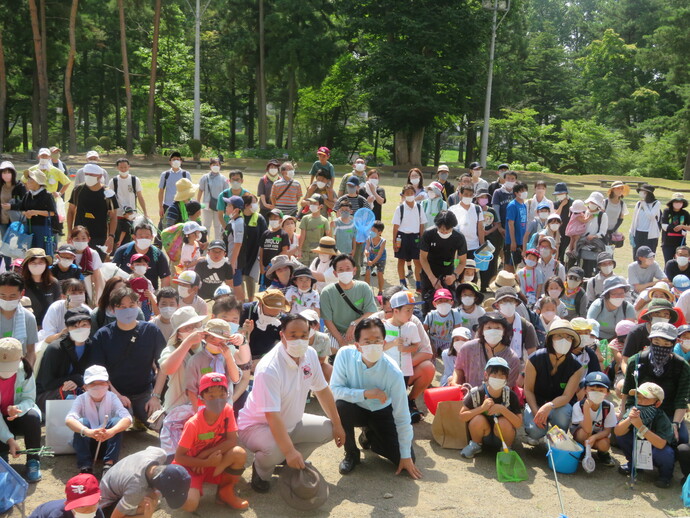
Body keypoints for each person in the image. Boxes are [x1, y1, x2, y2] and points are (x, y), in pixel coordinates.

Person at [237, 314, 346, 493]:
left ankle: (288, 461)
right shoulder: (269, 368)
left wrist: (338, 423)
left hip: (291, 421)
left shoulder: (310, 354)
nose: (299, 340)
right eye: (293, 335)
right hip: (257, 426)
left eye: (304, 335)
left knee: (329, 429)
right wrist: (289, 451)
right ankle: (261, 470)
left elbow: (322, 390)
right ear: (282, 335)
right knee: (275, 450)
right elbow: (272, 416)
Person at [330, 317, 421, 478]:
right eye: (367, 342)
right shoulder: (344, 355)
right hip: (356, 407)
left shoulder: (394, 372)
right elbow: (335, 391)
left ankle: (369, 436)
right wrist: (366, 393)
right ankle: (351, 453)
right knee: (341, 406)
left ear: (384, 343)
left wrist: (406, 455)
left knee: (406, 458)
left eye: (377, 341)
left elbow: (402, 415)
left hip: (383, 411)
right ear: (357, 345)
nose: (373, 345)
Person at [90, 286, 166, 428]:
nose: (127, 310)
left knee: (164, 425)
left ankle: (140, 416)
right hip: (114, 395)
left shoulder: (151, 330)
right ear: (113, 310)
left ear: (138, 305)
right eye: (122, 307)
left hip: (145, 393)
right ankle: (131, 417)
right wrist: (116, 395)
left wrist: (155, 397)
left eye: (131, 305)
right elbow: (98, 373)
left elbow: (164, 366)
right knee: (116, 426)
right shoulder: (103, 335)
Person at [174, 372, 249, 511]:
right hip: (191, 467)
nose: (218, 400)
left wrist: (205, 455)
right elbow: (179, 457)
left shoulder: (227, 410)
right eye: (211, 396)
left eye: (222, 395)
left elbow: (232, 440)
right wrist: (204, 462)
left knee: (239, 453)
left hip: (212, 462)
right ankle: (180, 486)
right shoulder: (193, 424)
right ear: (201, 397)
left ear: (228, 394)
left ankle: (225, 492)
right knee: (189, 505)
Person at [523, 318, 585, 444]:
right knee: (535, 431)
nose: (564, 340)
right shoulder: (535, 359)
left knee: (563, 414)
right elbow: (528, 390)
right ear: (550, 339)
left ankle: (557, 437)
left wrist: (549, 406)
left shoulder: (576, 366)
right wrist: (537, 412)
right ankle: (539, 433)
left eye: (569, 337)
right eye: (559, 336)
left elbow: (567, 396)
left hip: (559, 405)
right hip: (536, 402)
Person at [64, 365, 132, 474]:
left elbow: (127, 418)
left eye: (101, 383)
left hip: (107, 442)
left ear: (108, 384)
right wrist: (87, 431)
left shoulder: (112, 397)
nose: (98, 386)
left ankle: (109, 464)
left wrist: (111, 431)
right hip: (88, 443)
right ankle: (85, 466)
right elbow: (69, 419)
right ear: (85, 387)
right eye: (93, 384)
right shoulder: (81, 399)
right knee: (82, 422)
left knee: (116, 421)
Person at [99, 446, 191, 517]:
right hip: (104, 505)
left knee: (151, 499)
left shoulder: (159, 454)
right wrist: (145, 516)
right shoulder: (136, 490)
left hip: (115, 480)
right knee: (147, 504)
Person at [459, 357, 523, 459]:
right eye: (494, 374)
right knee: (477, 420)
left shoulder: (511, 395)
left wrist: (502, 409)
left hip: (502, 437)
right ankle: (475, 444)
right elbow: (462, 416)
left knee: (504, 422)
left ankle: (506, 449)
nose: (498, 378)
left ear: (507, 378)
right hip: (483, 436)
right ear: (486, 375)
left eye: (502, 375)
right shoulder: (477, 393)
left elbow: (518, 423)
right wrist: (481, 408)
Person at [615, 381, 676, 488]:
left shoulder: (661, 417)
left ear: (657, 403)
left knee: (665, 453)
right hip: (639, 444)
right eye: (638, 397)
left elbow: (661, 444)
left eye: (646, 398)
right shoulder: (633, 410)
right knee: (623, 436)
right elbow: (618, 432)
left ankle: (665, 476)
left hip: (656, 448)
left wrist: (641, 427)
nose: (641, 401)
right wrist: (629, 419)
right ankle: (634, 464)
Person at [0, 336, 42, 482]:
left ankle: (33, 460)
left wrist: (18, 408)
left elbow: (29, 399)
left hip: (17, 416)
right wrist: (10, 440)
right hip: (0, 420)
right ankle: (3, 457)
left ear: (20, 359)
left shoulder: (24, 371)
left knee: (32, 417)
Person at [35, 307, 92, 411]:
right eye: (74, 326)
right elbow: (47, 383)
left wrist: (79, 382)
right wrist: (75, 380)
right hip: (48, 394)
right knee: (69, 392)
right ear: (67, 328)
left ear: (90, 325)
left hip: (78, 387)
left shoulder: (91, 346)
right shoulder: (56, 348)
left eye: (84, 325)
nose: (79, 329)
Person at [450, 311, 520, 389]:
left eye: (497, 328)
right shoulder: (468, 348)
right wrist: (454, 382)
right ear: (482, 330)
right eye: (489, 327)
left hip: (497, 399)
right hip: (469, 395)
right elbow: (459, 368)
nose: (493, 331)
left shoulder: (512, 358)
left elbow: (509, 386)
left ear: (504, 331)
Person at [321, 254, 378, 350]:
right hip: (335, 332)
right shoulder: (327, 292)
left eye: (348, 269)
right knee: (333, 349)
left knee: (364, 349)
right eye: (341, 270)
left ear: (354, 270)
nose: (345, 272)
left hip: (359, 330)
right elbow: (327, 321)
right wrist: (341, 340)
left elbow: (371, 311)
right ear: (335, 273)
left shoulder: (363, 287)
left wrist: (354, 324)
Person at [419, 211, 467, 312]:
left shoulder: (459, 237)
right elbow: (423, 258)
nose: (444, 232)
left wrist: (454, 276)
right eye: (441, 229)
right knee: (428, 305)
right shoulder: (428, 234)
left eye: (448, 229)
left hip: (448, 272)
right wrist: (432, 279)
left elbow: (462, 261)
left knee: (448, 304)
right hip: (429, 270)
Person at [67, 163, 118, 257]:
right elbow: (70, 211)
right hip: (79, 236)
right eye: (86, 174)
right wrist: (70, 232)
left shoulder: (108, 193)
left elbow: (113, 216)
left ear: (100, 176)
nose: (88, 177)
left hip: (100, 235)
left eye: (92, 175)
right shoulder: (78, 190)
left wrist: (111, 236)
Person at [570, 371, 617, 467]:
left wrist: (595, 437)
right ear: (585, 390)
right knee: (584, 433)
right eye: (592, 389)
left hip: (598, 435)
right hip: (582, 434)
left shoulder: (608, 407)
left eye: (600, 391)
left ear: (607, 392)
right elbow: (587, 429)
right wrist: (586, 409)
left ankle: (602, 453)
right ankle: (581, 450)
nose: (596, 393)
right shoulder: (578, 406)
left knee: (604, 444)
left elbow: (607, 431)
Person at [392, 184, 427, 290]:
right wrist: (394, 242)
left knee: (417, 261)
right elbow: (395, 226)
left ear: (415, 193)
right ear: (403, 195)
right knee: (401, 260)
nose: (410, 195)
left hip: (415, 237)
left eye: (412, 193)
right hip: (402, 237)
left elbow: (422, 224)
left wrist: (421, 238)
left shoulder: (419, 207)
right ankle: (403, 284)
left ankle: (418, 284)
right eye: (407, 194)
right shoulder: (400, 208)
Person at [492, 287, 538, 363]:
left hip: (517, 367)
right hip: (493, 366)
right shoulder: (489, 325)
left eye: (511, 301)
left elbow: (532, 356)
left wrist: (523, 373)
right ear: (497, 305)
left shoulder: (526, 326)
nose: (508, 305)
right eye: (504, 301)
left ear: (516, 304)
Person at [37, 278, 89, 346]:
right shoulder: (56, 308)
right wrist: (62, 334)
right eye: (73, 293)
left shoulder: (88, 311)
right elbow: (47, 338)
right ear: (63, 296)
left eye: (80, 293)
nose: (77, 296)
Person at [19, 168, 59, 253]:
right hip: (28, 227)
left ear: (38, 182)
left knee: (41, 251)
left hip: (42, 227)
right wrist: (26, 213)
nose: (28, 181)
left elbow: (52, 213)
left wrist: (36, 212)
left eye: (31, 179)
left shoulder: (47, 195)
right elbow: (21, 209)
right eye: (28, 179)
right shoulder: (27, 194)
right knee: (28, 251)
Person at [30, 473, 104, 518]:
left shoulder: (97, 511)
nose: (87, 511)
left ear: (99, 500)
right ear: (68, 505)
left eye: (91, 504)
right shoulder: (58, 515)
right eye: (81, 506)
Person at [240, 289, 286, 361]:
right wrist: (244, 332)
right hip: (241, 356)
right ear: (260, 304)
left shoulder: (282, 320)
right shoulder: (245, 311)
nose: (271, 318)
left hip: (266, 359)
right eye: (268, 315)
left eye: (275, 316)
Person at [586, 276, 636, 341]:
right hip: (596, 338)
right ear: (607, 294)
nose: (619, 296)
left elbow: (628, 330)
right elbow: (589, 325)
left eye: (621, 293)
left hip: (619, 340)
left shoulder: (628, 308)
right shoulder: (598, 305)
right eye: (615, 294)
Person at [21, 248, 61, 328]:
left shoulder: (53, 283)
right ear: (27, 265)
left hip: (48, 328)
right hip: (26, 326)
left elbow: (58, 306)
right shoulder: (20, 283)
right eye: (33, 262)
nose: (37, 265)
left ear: (46, 264)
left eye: (40, 262)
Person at [196, 158, 229, 240]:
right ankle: (205, 244)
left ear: (220, 166)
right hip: (206, 204)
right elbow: (200, 190)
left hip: (219, 205)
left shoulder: (224, 179)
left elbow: (226, 193)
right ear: (210, 166)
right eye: (213, 165)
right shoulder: (204, 177)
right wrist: (198, 203)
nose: (215, 166)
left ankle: (218, 244)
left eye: (217, 165)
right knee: (206, 225)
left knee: (218, 226)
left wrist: (226, 206)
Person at [0, 161, 27, 260]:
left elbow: (25, 203)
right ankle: (7, 268)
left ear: (13, 173)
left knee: (17, 244)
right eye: (3, 172)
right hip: (3, 220)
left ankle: (18, 266)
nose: (6, 175)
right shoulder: (1, 186)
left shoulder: (20, 186)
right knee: (5, 245)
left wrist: (11, 206)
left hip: (16, 221)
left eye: (8, 172)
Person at [449, 185, 484, 257]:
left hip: (473, 246)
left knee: (471, 268)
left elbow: (480, 228)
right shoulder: (452, 209)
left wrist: (482, 245)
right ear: (460, 194)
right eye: (466, 194)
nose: (468, 197)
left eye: (470, 195)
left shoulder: (477, 208)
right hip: (457, 247)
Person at [631, 183, 662, 256]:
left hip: (650, 234)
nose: (641, 193)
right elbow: (634, 218)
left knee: (649, 255)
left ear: (647, 193)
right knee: (637, 255)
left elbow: (651, 216)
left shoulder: (656, 203)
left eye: (643, 191)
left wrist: (645, 205)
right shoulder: (638, 203)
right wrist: (631, 232)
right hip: (638, 232)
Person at [259, 209, 290, 283]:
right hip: (265, 267)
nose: (273, 220)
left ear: (280, 220)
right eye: (271, 219)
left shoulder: (283, 234)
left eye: (275, 218)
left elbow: (284, 251)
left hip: (277, 267)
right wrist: (261, 265)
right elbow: (261, 250)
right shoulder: (265, 233)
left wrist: (272, 263)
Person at [158, 151, 191, 220]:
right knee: (165, 227)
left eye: (178, 159)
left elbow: (189, 191)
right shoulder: (165, 174)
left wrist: (188, 206)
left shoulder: (186, 174)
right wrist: (161, 207)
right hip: (168, 205)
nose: (176, 161)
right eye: (174, 159)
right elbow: (161, 191)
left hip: (182, 206)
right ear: (170, 162)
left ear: (181, 161)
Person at [504, 181, 529, 272]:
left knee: (519, 265)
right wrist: (513, 241)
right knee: (510, 265)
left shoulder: (524, 205)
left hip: (522, 240)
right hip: (512, 241)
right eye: (521, 191)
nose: (524, 192)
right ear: (516, 193)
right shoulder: (512, 205)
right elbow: (510, 224)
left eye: (525, 190)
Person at [299, 195, 330, 267]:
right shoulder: (305, 218)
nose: (312, 205)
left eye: (315, 203)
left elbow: (327, 236)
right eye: (311, 203)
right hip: (305, 251)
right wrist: (299, 249)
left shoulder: (324, 221)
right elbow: (302, 235)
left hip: (317, 252)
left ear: (321, 206)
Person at [661, 192, 690, 264]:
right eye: (676, 201)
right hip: (667, 243)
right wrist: (681, 230)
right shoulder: (666, 211)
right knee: (668, 263)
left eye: (680, 202)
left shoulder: (685, 213)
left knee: (681, 263)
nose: (678, 204)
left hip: (681, 243)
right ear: (672, 202)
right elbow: (664, 226)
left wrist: (682, 226)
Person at [491, 169, 517, 242]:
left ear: (515, 180)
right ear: (504, 179)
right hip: (500, 225)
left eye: (512, 179)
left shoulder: (517, 192)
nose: (510, 180)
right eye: (508, 178)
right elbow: (495, 209)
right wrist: (499, 227)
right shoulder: (498, 192)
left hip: (514, 226)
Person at [364, 221, 386, 296]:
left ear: (380, 232)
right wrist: (366, 252)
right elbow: (366, 247)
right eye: (371, 230)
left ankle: (380, 291)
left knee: (380, 274)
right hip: (371, 257)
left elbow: (379, 255)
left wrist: (372, 262)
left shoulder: (383, 241)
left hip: (380, 259)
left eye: (374, 231)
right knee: (367, 272)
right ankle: (366, 290)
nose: (371, 232)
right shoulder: (369, 238)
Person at [553, 182, 573, 262]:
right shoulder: (556, 204)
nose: (560, 195)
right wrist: (561, 205)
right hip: (558, 231)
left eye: (562, 193)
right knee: (558, 252)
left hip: (569, 232)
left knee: (566, 254)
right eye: (558, 194)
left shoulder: (572, 203)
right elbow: (555, 216)